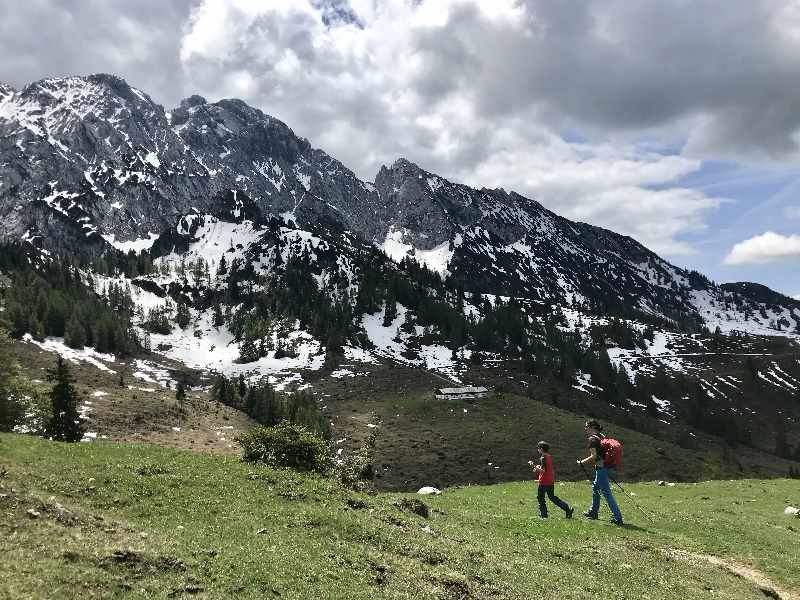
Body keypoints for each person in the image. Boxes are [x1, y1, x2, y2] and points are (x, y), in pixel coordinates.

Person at [577, 419, 623, 525]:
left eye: (586, 427)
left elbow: (594, 456)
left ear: (592, 427)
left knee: (606, 493)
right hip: (607, 466)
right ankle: (593, 512)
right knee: (596, 488)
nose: (585, 429)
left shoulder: (593, 439)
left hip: (602, 468)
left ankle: (618, 517)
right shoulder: (601, 436)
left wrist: (581, 463)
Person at [530, 441, 574, 519]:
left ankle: (543, 515)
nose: (537, 449)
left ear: (541, 449)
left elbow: (543, 471)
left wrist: (533, 465)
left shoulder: (543, 457)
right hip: (550, 480)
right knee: (552, 497)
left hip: (544, 481)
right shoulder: (549, 456)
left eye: (538, 448)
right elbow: (546, 467)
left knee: (540, 498)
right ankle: (567, 509)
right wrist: (537, 467)